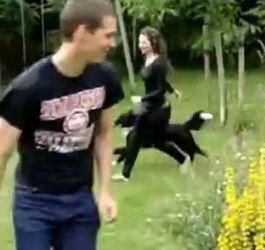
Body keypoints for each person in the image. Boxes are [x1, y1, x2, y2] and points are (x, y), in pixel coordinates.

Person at [0, 0, 124, 249]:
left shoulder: (105, 78)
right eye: (108, 35)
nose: (112, 44)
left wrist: (105, 191)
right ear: (82, 32)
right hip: (35, 204)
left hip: (80, 202)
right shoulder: (28, 88)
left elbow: (103, 134)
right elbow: (2, 150)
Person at [112, 26, 181, 182]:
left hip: (159, 110)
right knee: (142, 138)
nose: (140, 45)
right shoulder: (148, 59)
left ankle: (183, 159)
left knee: (145, 138)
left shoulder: (160, 62)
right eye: (139, 42)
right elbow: (161, 82)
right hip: (150, 106)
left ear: (153, 43)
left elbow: (160, 89)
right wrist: (173, 90)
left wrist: (142, 99)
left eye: (143, 42)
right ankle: (125, 174)